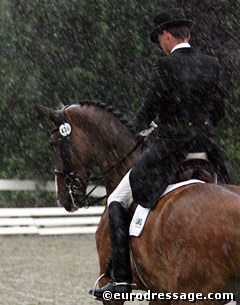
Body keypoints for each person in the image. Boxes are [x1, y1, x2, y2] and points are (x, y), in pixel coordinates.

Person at [89, 7, 229, 300]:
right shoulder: (211, 64)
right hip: (207, 150)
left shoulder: (165, 67)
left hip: (170, 151)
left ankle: (121, 280)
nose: (161, 46)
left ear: (167, 36)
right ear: (187, 35)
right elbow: (218, 111)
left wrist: (144, 127)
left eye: (160, 40)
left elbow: (148, 111)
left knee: (116, 199)